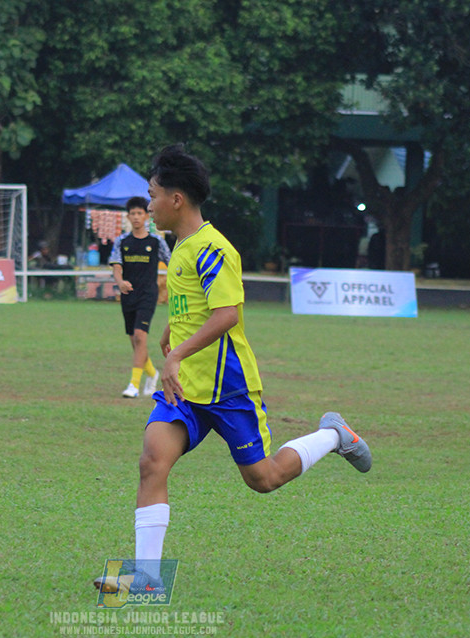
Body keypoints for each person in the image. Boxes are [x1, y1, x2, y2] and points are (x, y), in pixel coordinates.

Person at [93, 145, 372, 594]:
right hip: (183, 388)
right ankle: (147, 580)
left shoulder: (213, 248)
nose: (147, 206)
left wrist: (177, 354)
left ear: (177, 199)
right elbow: (194, 306)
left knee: (264, 479)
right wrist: (172, 335)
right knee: (152, 462)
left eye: (153, 195)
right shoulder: (181, 244)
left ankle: (334, 435)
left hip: (227, 387)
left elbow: (227, 314)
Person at [109, 196, 172, 398]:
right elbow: (116, 265)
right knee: (135, 342)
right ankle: (152, 374)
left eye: (139, 213)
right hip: (128, 296)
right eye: (132, 214)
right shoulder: (121, 241)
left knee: (140, 337)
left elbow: (172, 262)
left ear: (146, 216)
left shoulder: (156, 242)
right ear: (128, 217)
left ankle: (133, 386)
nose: (136, 217)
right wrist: (120, 282)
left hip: (148, 294)